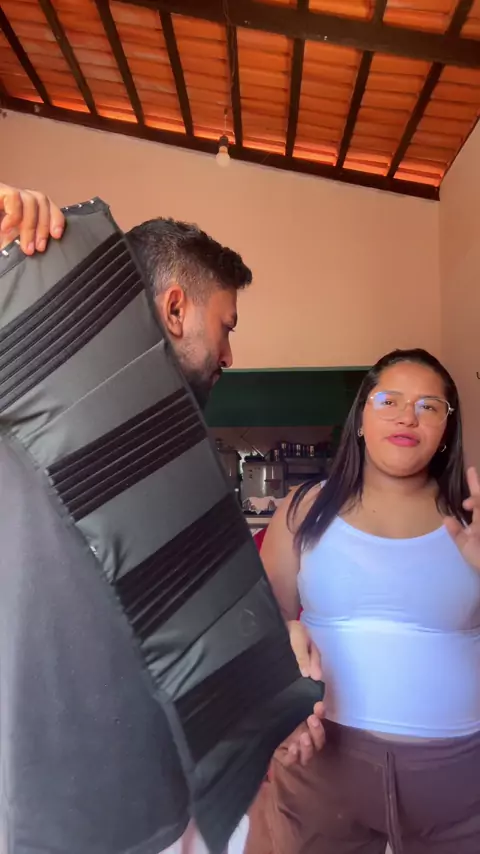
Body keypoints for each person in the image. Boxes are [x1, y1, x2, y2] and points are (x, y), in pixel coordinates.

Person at [0, 183, 324, 854]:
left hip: (172, 802)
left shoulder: (178, 460)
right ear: (176, 309)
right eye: (226, 326)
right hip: (55, 817)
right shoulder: (25, 415)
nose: (229, 356)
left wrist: (271, 650)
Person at [247, 347, 480, 854]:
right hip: (320, 764)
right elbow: (258, 625)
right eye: (389, 400)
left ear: (446, 430)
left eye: (429, 406)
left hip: (459, 779)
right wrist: (279, 702)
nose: (407, 417)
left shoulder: (472, 521)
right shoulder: (304, 509)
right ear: (360, 419)